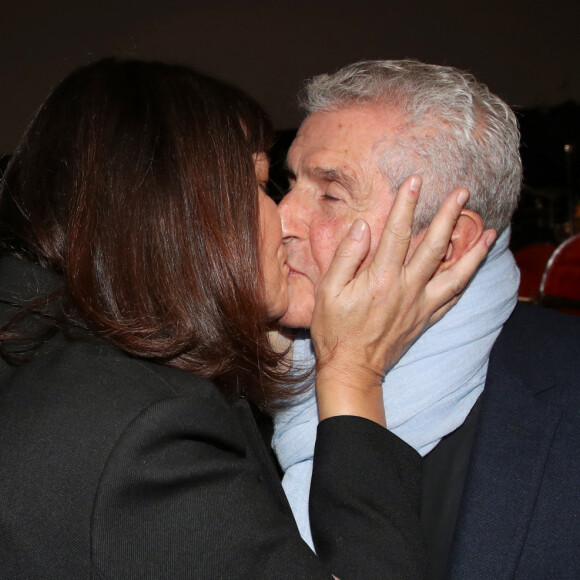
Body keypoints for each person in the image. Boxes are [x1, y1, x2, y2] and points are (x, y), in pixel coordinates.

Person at [0, 58, 490, 579]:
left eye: (328, 193)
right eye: (259, 184)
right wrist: (353, 372)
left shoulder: (43, 340)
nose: (282, 216)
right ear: (170, 205)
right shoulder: (142, 433)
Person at [273, 60, 580, 580]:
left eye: (329, 193)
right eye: (291, 182)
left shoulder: (565, 399)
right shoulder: (245, 377)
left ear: (447, 241)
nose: (281, 218)